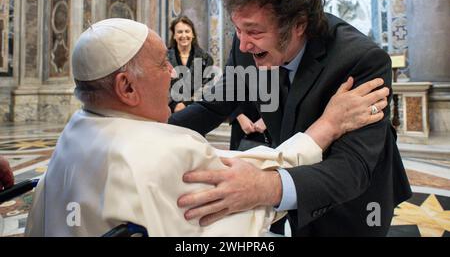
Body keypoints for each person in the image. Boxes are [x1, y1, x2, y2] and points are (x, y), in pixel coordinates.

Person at [25, 18, 387, 237]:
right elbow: (255, 180)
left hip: (355, 203)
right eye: (161, 65)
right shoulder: (168, 150)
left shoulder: (75, 129)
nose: (172, 73)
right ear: (126, 87)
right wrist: (328, 124)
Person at [170, 0, 412, 236]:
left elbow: (352, 167)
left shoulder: (360, 61)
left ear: (298, 25)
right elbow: (213, 107)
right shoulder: (247, 46)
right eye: (237, 30)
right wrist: (148, 130)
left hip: (354, 200)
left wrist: (266, 186)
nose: (244, 45)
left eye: (254, 32)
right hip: (292, 191)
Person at [168, 16, 214, 113]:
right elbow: (159, 85)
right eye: (180, 32)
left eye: (187, 31)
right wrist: (173, 105)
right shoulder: (164, 58)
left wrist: (186, 104)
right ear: (174, 35)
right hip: (170, 112)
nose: (184, 35)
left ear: (193, 34)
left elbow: (207, 86)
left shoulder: (206, 58)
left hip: (196, 111)